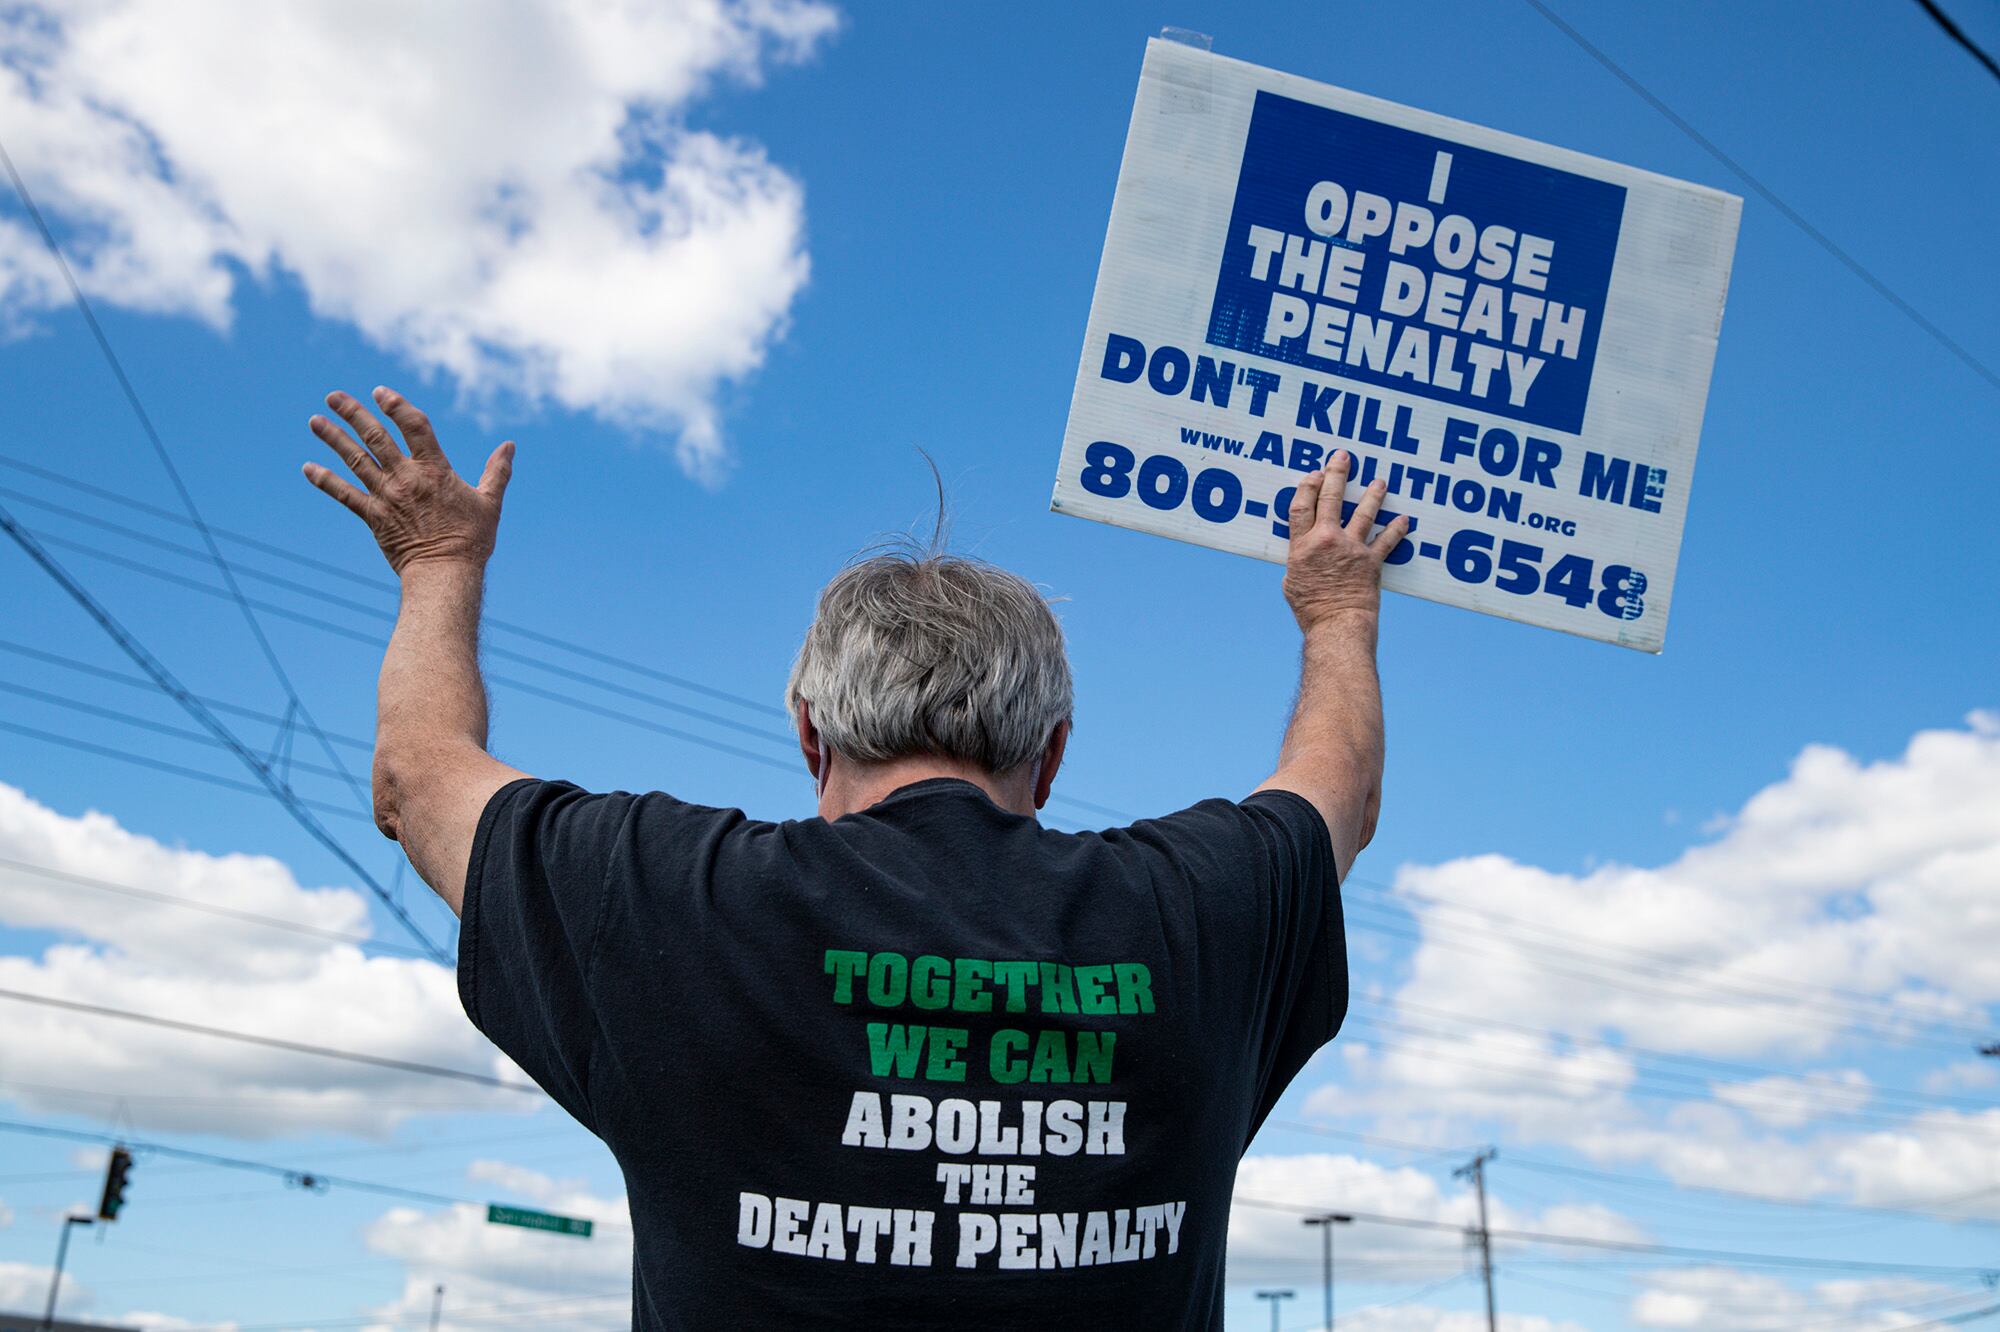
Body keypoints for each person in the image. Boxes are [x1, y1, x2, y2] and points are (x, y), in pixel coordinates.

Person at [302, 386, 1407, 1330]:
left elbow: (417, 777)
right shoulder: (1202, 908)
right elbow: (1336, 792)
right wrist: (1335, 609)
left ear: (809, 733)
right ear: (1053, 750)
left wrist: (436, 560)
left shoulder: (661, 897)